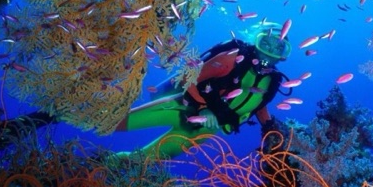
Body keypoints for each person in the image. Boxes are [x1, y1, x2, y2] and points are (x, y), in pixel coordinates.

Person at [114, 21, 292, 159]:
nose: (270, 51)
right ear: (256, 41)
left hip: (206, 129)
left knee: (142, 160)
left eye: (279, 48)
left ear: (283, 55)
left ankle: (109, 162)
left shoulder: (272, 81)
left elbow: (257, 104)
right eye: (265, 43)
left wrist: (270, 127)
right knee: (114, 122)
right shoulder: (232, 58)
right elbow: (190, 78)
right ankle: (97, 117)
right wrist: (203, 108)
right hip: (183, 108)